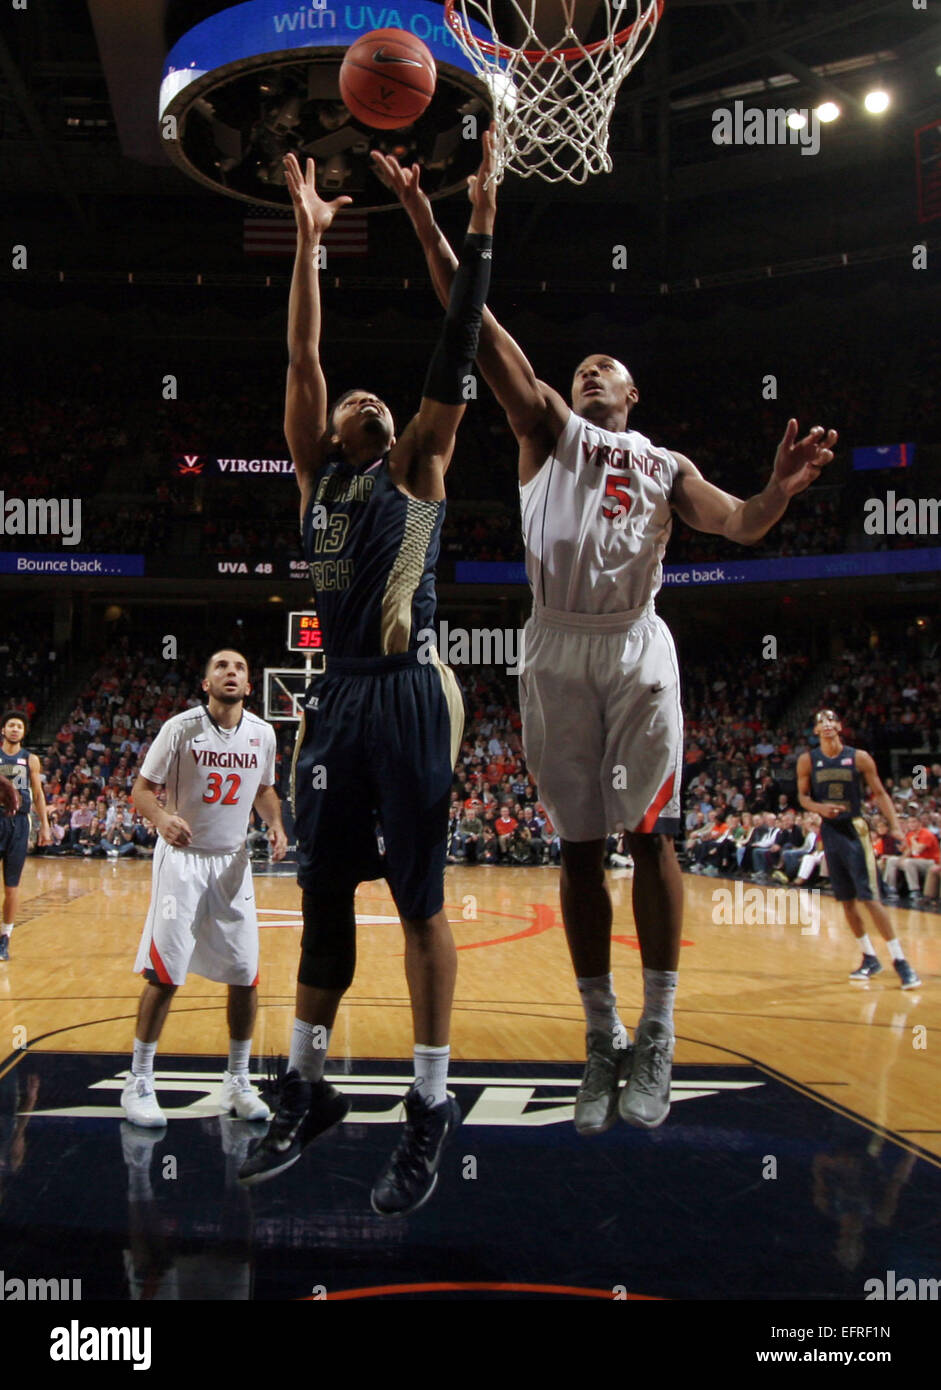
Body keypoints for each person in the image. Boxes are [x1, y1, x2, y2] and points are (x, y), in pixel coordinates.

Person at [378, 152, 838, 1133]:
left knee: (652, 833)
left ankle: (658, 1030)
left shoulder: (667, 465)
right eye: (581, 362)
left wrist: (778, 491)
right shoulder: (542, 424)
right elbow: (471, 320)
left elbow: (740, 524)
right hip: (551, 648)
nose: (590, 366)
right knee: (578, 851)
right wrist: (427, 217)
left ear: (629, 395)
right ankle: (600, 1038)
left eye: (608, 366)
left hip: (634, 647)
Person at [238, 136, 497, 1219]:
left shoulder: (423, 460)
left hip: (409, 690)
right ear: (332, 426)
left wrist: (473, 226)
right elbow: (302, 358)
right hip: (334, 698)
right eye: (355, 399)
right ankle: (307, 1081)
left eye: (380, 400)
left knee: (421, 896)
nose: (369, 398)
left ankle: (428, 1104)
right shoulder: (314, 475)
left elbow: (454, 342)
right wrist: (306, 243)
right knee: (324, 888)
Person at [121, 651, 286, 1127]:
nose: (231, 672)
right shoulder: (180, 728)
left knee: (245, 972)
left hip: (233, 862)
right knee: (165, 971)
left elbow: (264, 789)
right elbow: (142, 789)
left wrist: (275, 824)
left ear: (250, 685)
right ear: (205, 682)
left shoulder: (263, 733)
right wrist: (162, 819)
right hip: (183, 861)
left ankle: (236, 1081)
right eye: (221, 667)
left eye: (239, 668)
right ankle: (139, 1081)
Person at [797, 710, 920, 988]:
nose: (827, 724)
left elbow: (880, 793)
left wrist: (896, 827)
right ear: (815, 730)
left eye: (831, 720)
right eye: (820, 721)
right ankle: (869, 957)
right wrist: (820, 809)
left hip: (855, 830)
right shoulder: (808, 760)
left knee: (869, 898)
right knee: (846, 900)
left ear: (839, 726)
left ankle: (901, 961)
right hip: (830, 831)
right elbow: (803, 797)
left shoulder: (859, 757)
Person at [0, 712, 52, 960]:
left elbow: (39, 794)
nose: (14, 729)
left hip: (19, 823)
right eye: (10, 725)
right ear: (3, 730)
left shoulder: (30, 759)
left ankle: (5, 938)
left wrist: (45, 825)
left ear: (23, 732)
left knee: (12, 886)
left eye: (19, 726)